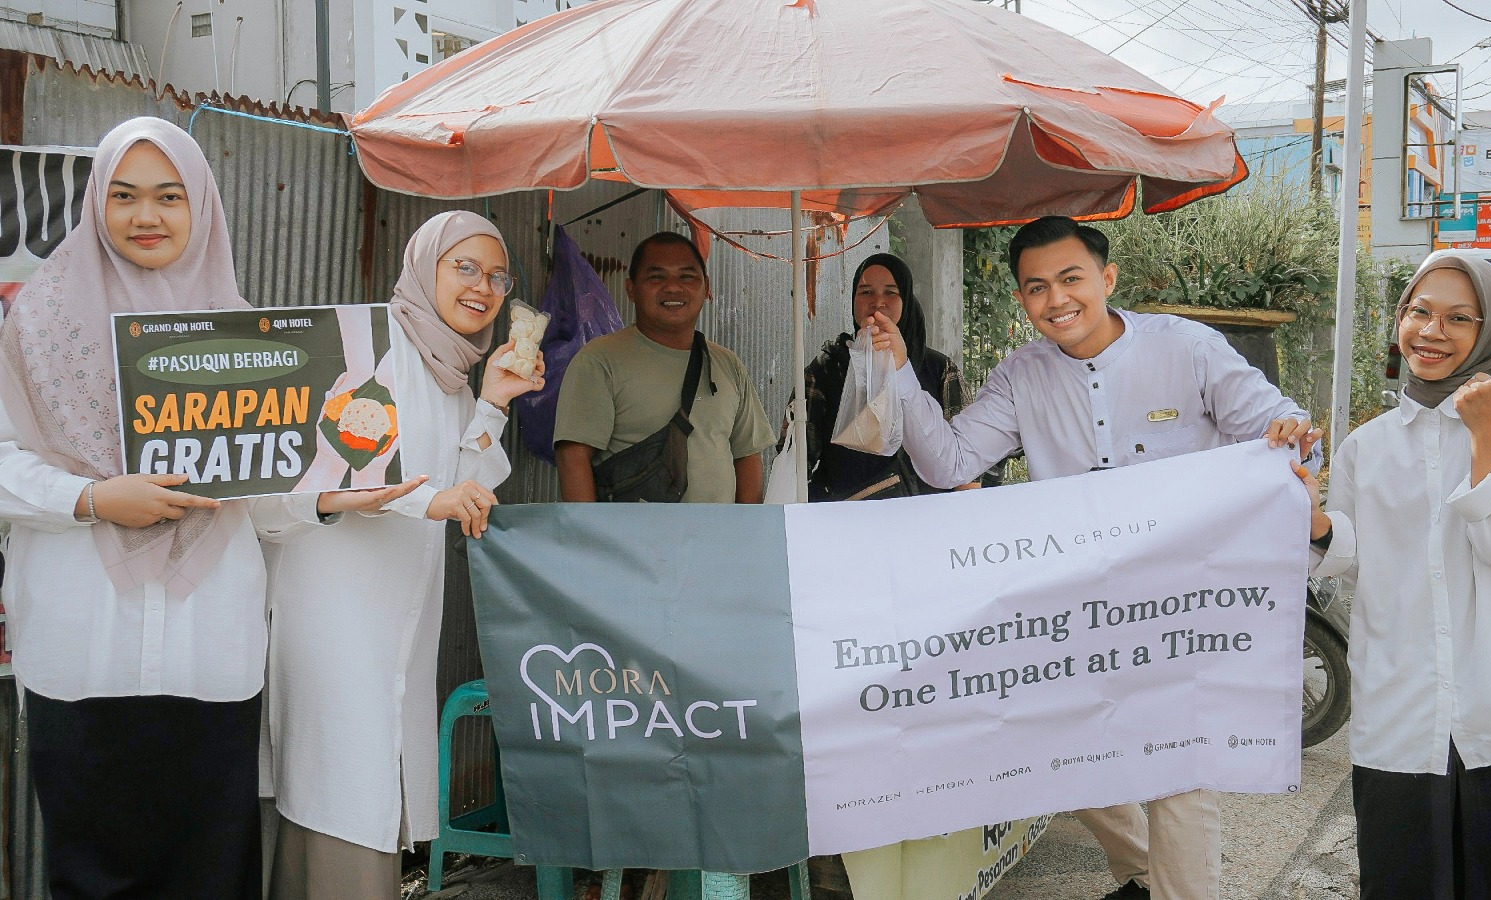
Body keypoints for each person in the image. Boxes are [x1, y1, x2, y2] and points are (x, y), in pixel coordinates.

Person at [869, 215, 1319, 900]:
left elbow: (1280, 428)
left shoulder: (1188, 350)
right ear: (1022, 298)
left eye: (1071, 278)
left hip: (1179, 602)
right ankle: (1140, 871)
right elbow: (949, 463)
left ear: (1107, 277)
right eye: (1036, 287)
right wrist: (901, 372)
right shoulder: (1021, 377)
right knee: (1055, 750)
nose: (1056, 299)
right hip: (1076, 611)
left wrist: (1290, 436)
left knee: (1177, 773)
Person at [0, 117, 314, 899]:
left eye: (169, 196)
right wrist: (90, 497)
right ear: (96, 203)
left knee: (211, 874)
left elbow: (264, 498)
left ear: (201, 205)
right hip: (84, 647)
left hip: (208, 649)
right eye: (125, 195)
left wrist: (332, 494)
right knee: (90, 875)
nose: (147, 216)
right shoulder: (35, 325)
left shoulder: (247, 336)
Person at [260, 211, 545, 900]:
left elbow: (461, 485)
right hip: (333, 610)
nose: (483, 287)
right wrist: (430, 501)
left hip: (396, 618)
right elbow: (324, 476)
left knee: (363, 784)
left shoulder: (448, 369)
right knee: (339, 784)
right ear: (424, 267)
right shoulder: (368, 350)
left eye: (498, 276)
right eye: (465, 267)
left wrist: (494, 403)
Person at [1302, 252, 1491, 898]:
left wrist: (1485, 431)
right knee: (1402, 879)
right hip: (1401, 704)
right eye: (1420, 312)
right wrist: (1315, 522)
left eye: (1460, 318)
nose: (1432, 332)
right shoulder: (1367, 446)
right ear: (1400, 319)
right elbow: (1352, 560)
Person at [554, 231, 774, 503]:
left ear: (706, 287)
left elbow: (747, 455)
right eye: (656, 277)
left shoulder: (728, 364)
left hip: (718, 531)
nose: (673, 288)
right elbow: (573, 456)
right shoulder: (599, 360)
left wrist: (745, 527)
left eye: (687, 276)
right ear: (631, 289)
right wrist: (590, 530)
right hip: (631, 531)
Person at [802, 253, 976, 500]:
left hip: (927, 517)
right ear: (853, 301)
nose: (878, 302)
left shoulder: (938, 369)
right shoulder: (827, 369)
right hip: (848, 516)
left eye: (891, 292)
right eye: (866, 292)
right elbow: (798, 458)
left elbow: (965, 460)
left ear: (906, 300)